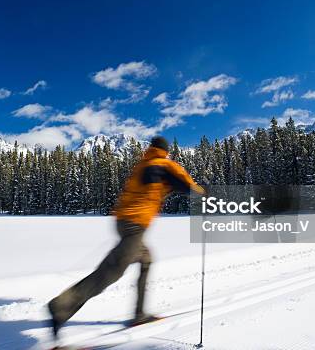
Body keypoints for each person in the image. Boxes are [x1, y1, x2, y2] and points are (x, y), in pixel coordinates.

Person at [47, 135, 204, 337]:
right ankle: (61, 305)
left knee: (146, 260)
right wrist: (202, 193)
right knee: (111, 271)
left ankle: (139, 314)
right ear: (165, 150)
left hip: (124, 222)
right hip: (134, 226)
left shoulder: (144, 164)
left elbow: (156, 185)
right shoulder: (163, 164)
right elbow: (187, 185)